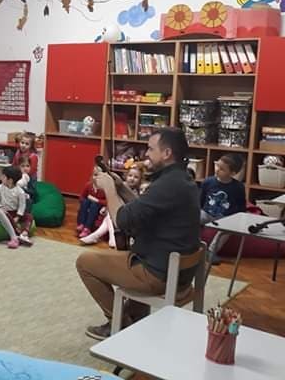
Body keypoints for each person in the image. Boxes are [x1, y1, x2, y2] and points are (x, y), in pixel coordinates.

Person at [76, 127, 200, 340]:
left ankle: (119, 323)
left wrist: (109, 189)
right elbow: (142, 209)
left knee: (85, 262)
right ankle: (136, 315)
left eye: (151, 149)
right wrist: (121, 187)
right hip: (179, 271)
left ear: (167, 153)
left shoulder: (167, 185)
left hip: (158, 273)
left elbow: (123, 220)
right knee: (123, 256)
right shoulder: (182, 179)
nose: (146, 154)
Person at [80, 165, 144, 247]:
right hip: (118, 213)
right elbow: (113, 200)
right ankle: (100, 236)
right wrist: (106, 208)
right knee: (109, 214)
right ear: (126, 176)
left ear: (140, 180)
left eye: (136, 177)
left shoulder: (139, 191)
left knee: (111, 215)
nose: (132, 178)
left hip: (128, 216)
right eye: (130, 175)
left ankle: (105, 237)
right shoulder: (120, 186)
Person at [200, 154, 246, 265]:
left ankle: (211, 251)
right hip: (206, 213)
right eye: (217, 166)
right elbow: (200, 199)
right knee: (191, 218)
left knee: (228, 228)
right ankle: (194, 246)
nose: (217, 170)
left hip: (223, 218)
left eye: (222, 169)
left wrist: (236, 220)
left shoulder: (238, 187)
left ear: (233, 173)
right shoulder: (208, 182)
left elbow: (241, 206)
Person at [0, 166, 34, 250]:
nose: (1, 178)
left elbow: (22, 205)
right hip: (4, 212)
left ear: (10, 180)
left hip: (15, 212)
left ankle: (24, 233)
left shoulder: (20, 191)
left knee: (29, 216)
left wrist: (18, 216)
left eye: (3, 176)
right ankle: (17, 233)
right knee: (0, 213)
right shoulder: (0, 188)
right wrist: (0, 207)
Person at [75, 168, 107, 239]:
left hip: (98, 206)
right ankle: (82, 224)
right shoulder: (88, 185)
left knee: (94, 205)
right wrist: (85, 201)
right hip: (88, 204)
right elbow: (81, 197)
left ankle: (87, 228)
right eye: (95, 175)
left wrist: (97, 200)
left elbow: (107, 201)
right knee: (85, 202)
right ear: (92, 176)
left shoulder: (104, 189)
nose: (97, 178)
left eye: (99, 176)